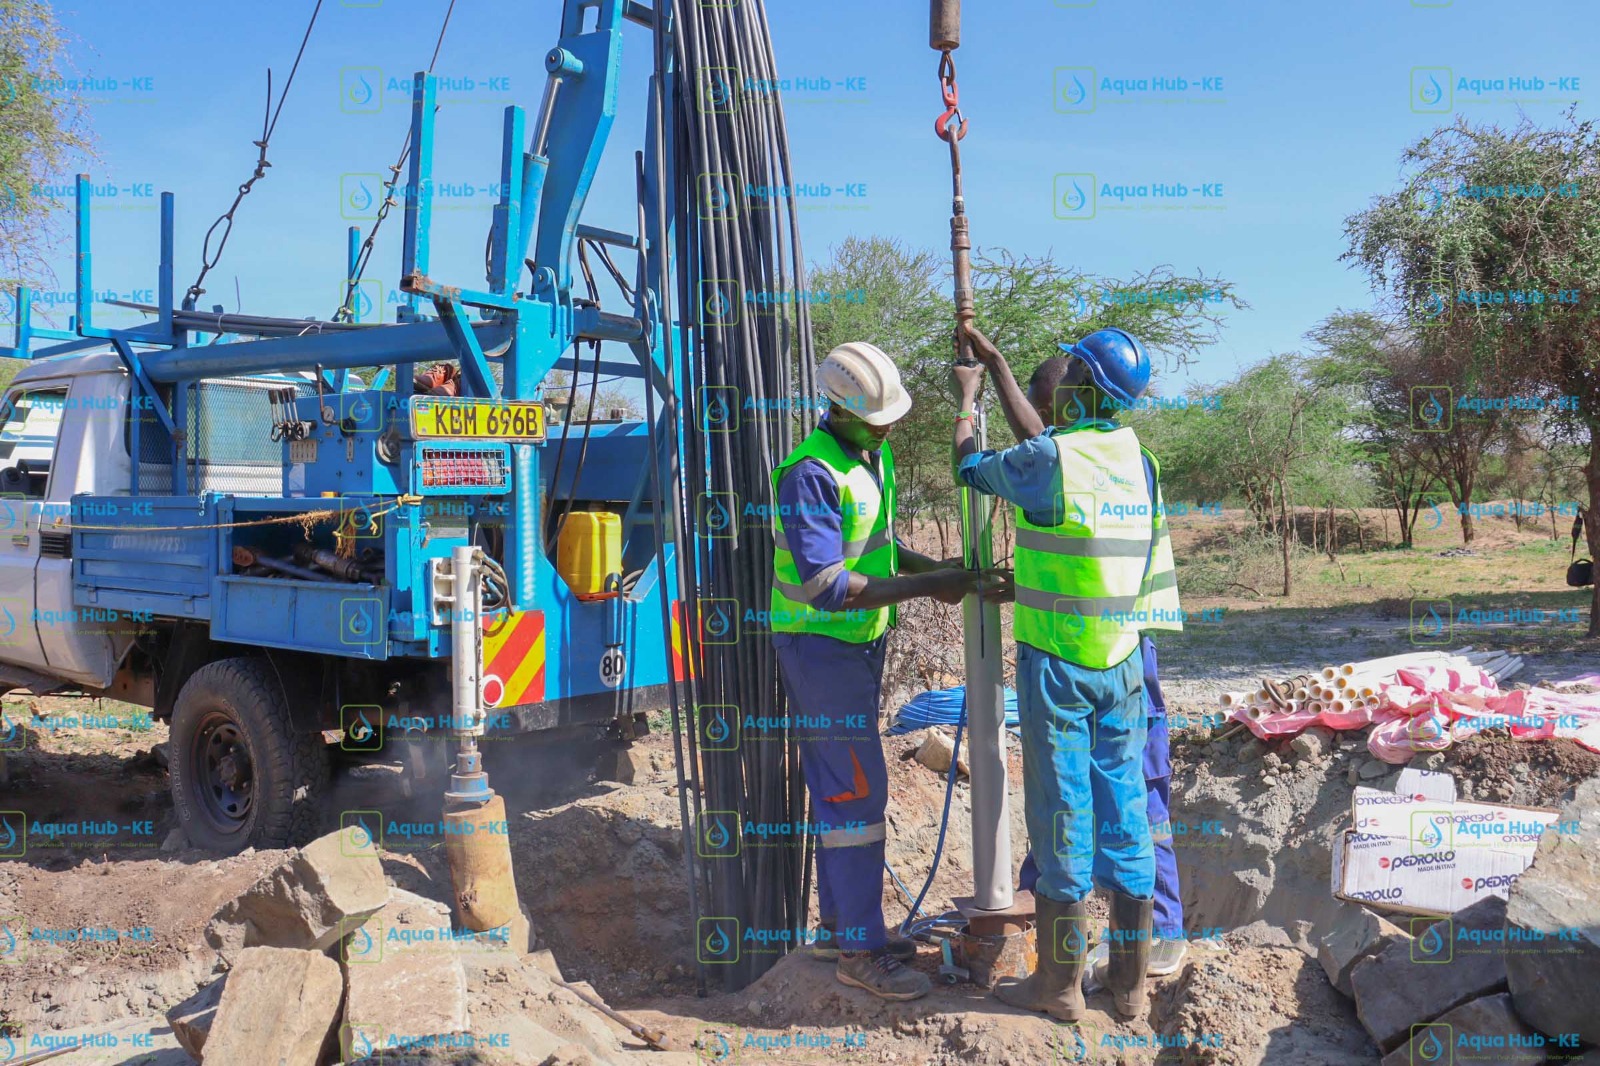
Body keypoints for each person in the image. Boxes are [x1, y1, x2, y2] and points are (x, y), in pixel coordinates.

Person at [950, 321, 1180, 1023]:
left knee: (1061, 817)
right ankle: (1131, 987)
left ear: (1077, 380)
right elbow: (1055, 465)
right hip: (1122, 663)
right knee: (1128, 818)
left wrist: (966, 400)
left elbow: (975, 466)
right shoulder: (1135, 459)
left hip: (1060, 668)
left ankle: (1056, 988)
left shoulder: (1049, 461)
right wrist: (1002, 364)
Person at [772, 341, 999, 1002]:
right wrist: (931, 587)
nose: (888, 426)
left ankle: (841, 927)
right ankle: (859, 953)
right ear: (836, 410)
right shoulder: (808, 473)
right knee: (856, 794)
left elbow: (876, 543)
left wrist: (933, 569)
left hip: (856, 646)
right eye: (876, 419)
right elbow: (827, 584)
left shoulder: (870, 454)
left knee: (844, 785)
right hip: (819, 645)